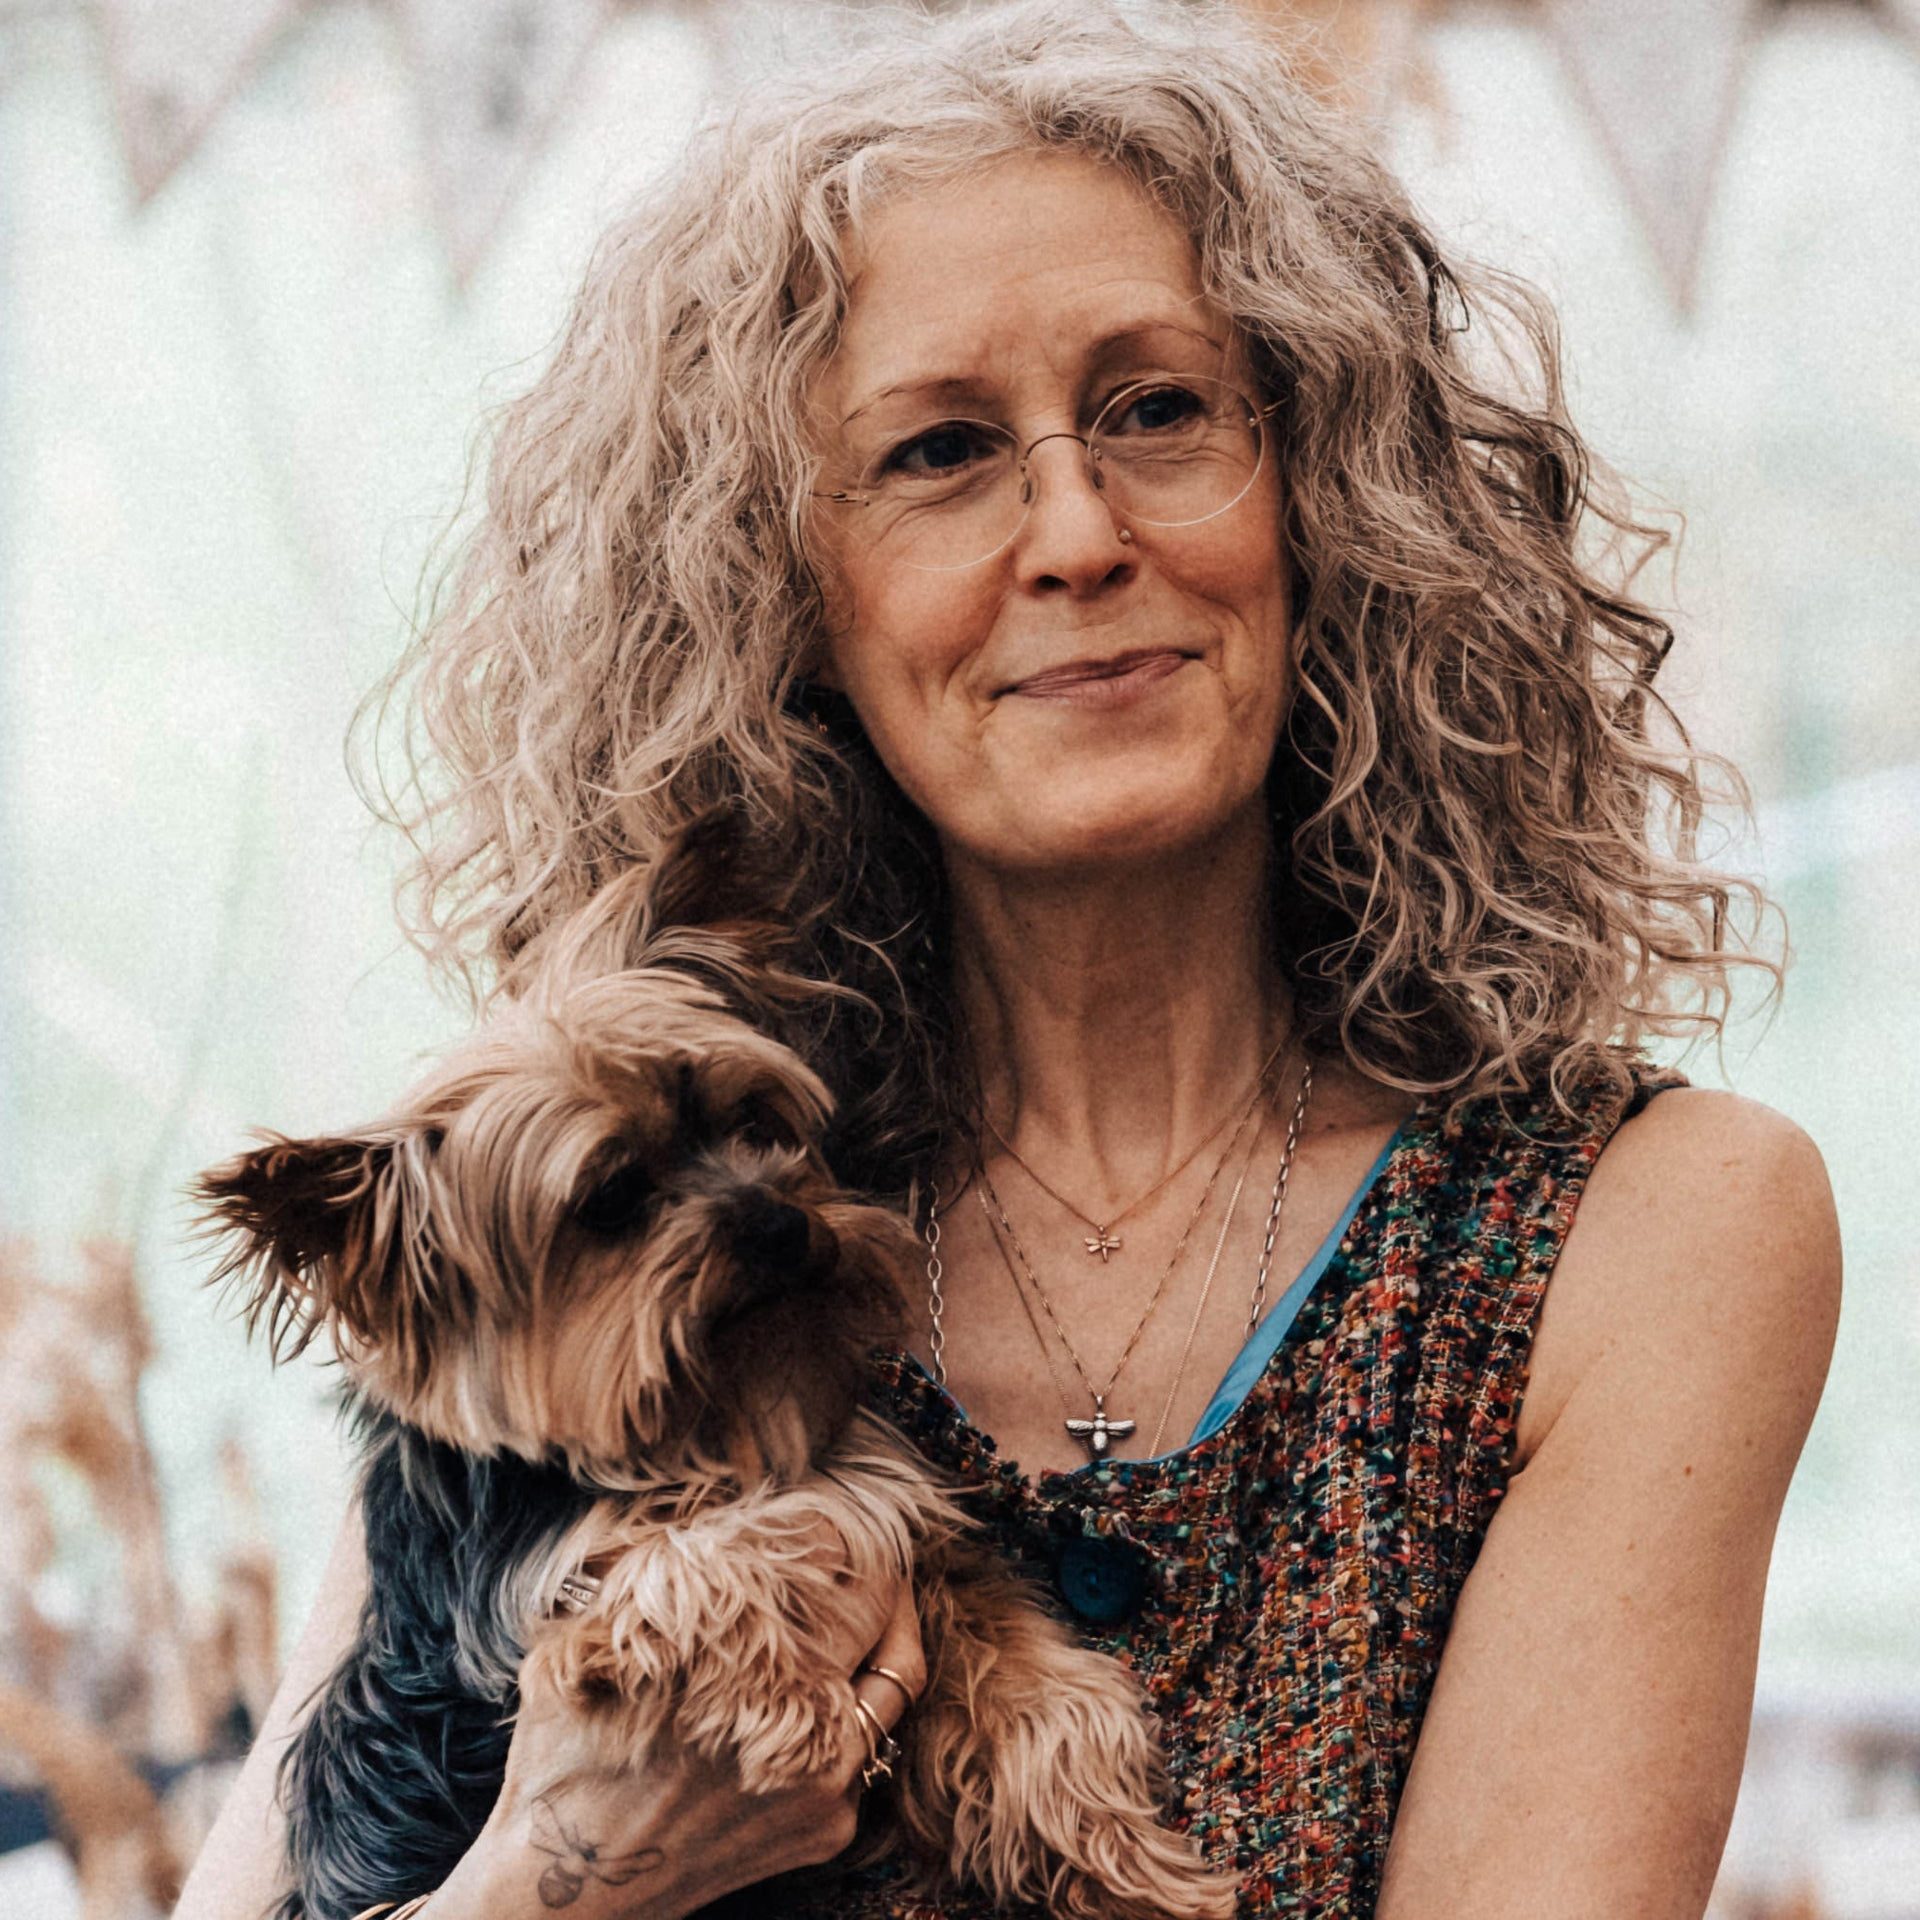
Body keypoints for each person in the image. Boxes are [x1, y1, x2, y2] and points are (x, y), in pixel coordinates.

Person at [175, 4, 1840, 1917]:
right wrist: (567, 1876)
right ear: (780, 590)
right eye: (944, 451)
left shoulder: (1636, 1231)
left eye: (1157, 409)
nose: (1076, 530)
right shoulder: (552, 1236)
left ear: (1334, 494)